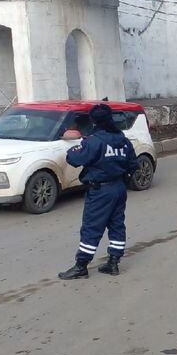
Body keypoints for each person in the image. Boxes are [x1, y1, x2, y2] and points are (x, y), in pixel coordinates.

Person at [58, 104, 138, 280]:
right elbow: (133, 164)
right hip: (119, 188)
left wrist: (74, 147)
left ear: (94, 121)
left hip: (100, 190)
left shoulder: (94, 141)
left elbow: (74, 159)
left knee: (91, 227)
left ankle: (81, 266)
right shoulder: (123, 140)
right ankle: (113, 262)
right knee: (117, 225)